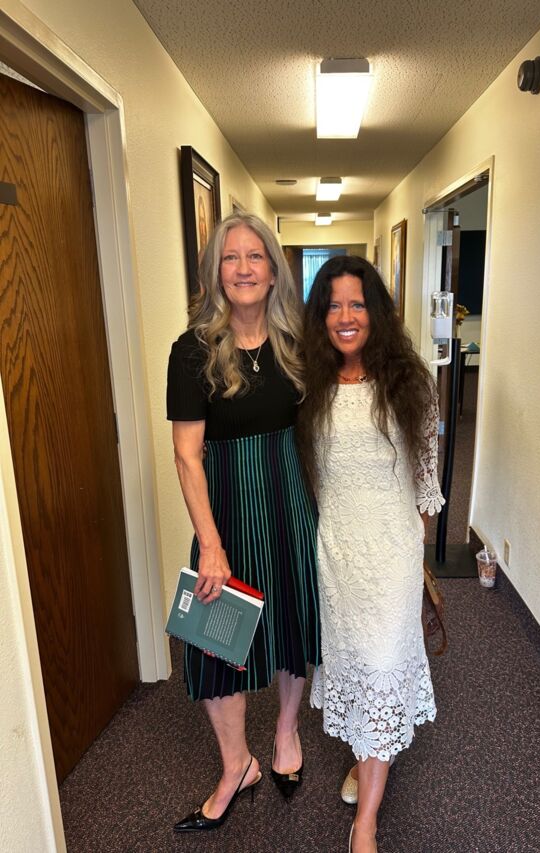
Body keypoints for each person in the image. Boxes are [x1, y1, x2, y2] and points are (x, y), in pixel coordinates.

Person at [167, 212, 321, 833]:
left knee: (291, 625)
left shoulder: (298, 344)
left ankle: (285, 733)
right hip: (226, 512)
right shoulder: (192, 351)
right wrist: (210, 543)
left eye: (255, 256)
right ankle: (237, 766)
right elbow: (186, 456)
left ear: (274, 270)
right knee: (212, 640)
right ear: (215, 273)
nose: (243, 268)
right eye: (230, 258)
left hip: (291, 505)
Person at [297, 255, 445, 853]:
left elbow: (426, 484)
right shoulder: (310, 386)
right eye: (333, 306)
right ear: (320, 317)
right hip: (336, 556)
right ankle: (367, 760)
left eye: (357, 303)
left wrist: (411, 554)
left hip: (390, 556)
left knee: (383, 665)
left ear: (376, 310)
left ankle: (366, 823)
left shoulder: (410, 384)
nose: (345, 316)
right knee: (355, 666)